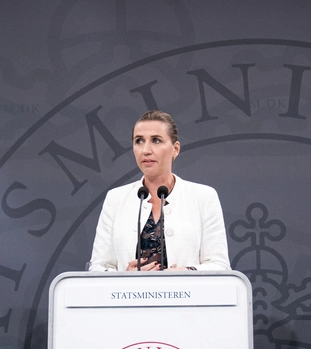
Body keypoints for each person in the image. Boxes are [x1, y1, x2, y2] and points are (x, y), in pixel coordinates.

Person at [88, 110, 230, 271]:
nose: (146, 150)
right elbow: (98, 267)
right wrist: (125, 277)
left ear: (175, 149)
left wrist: (186, 273)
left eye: (156, 140)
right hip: (128, 296)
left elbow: (220, 266)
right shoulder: (116, 198)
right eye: (139, 141)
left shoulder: (203, 197)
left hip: (187, 295)